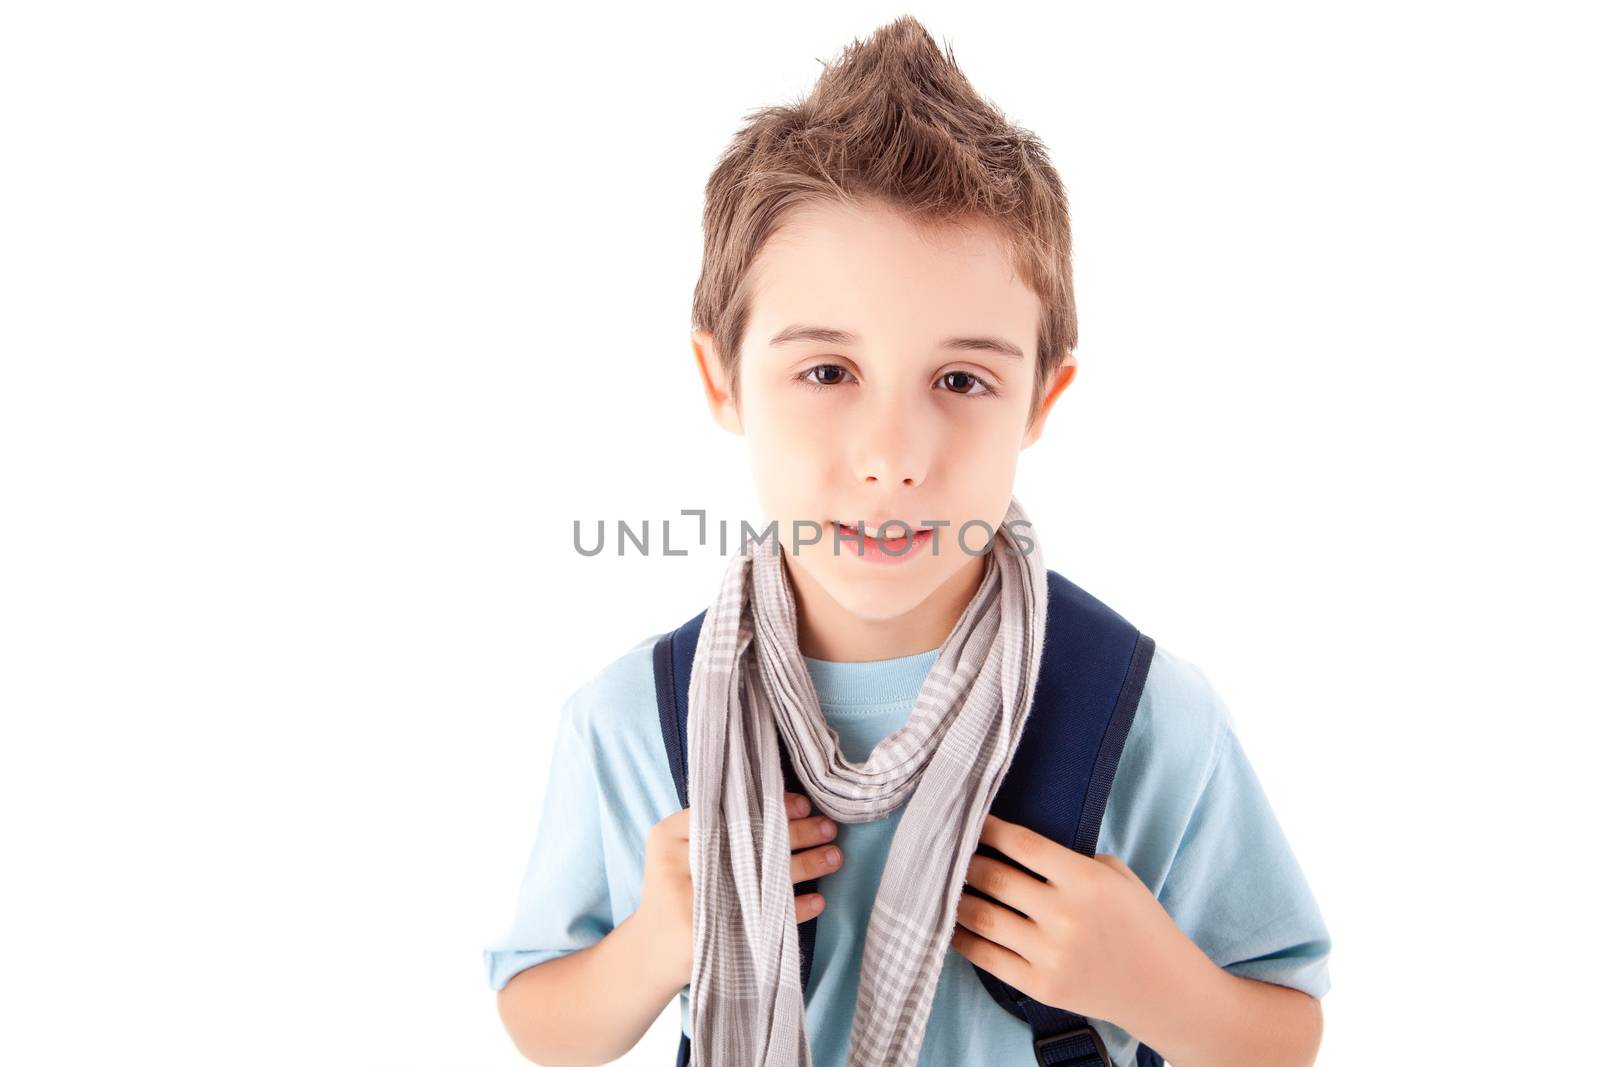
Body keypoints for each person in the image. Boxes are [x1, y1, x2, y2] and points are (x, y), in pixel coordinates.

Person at [484, 15, 1330, 1067]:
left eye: (961, 379)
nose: (892, 455)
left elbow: (1284, 1028)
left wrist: (1156, 984)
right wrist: (655, 942)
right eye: (828, 372)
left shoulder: (1142, 713)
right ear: (721, 378)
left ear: (1039, 397)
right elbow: (540, 1018)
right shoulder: (633, 720)